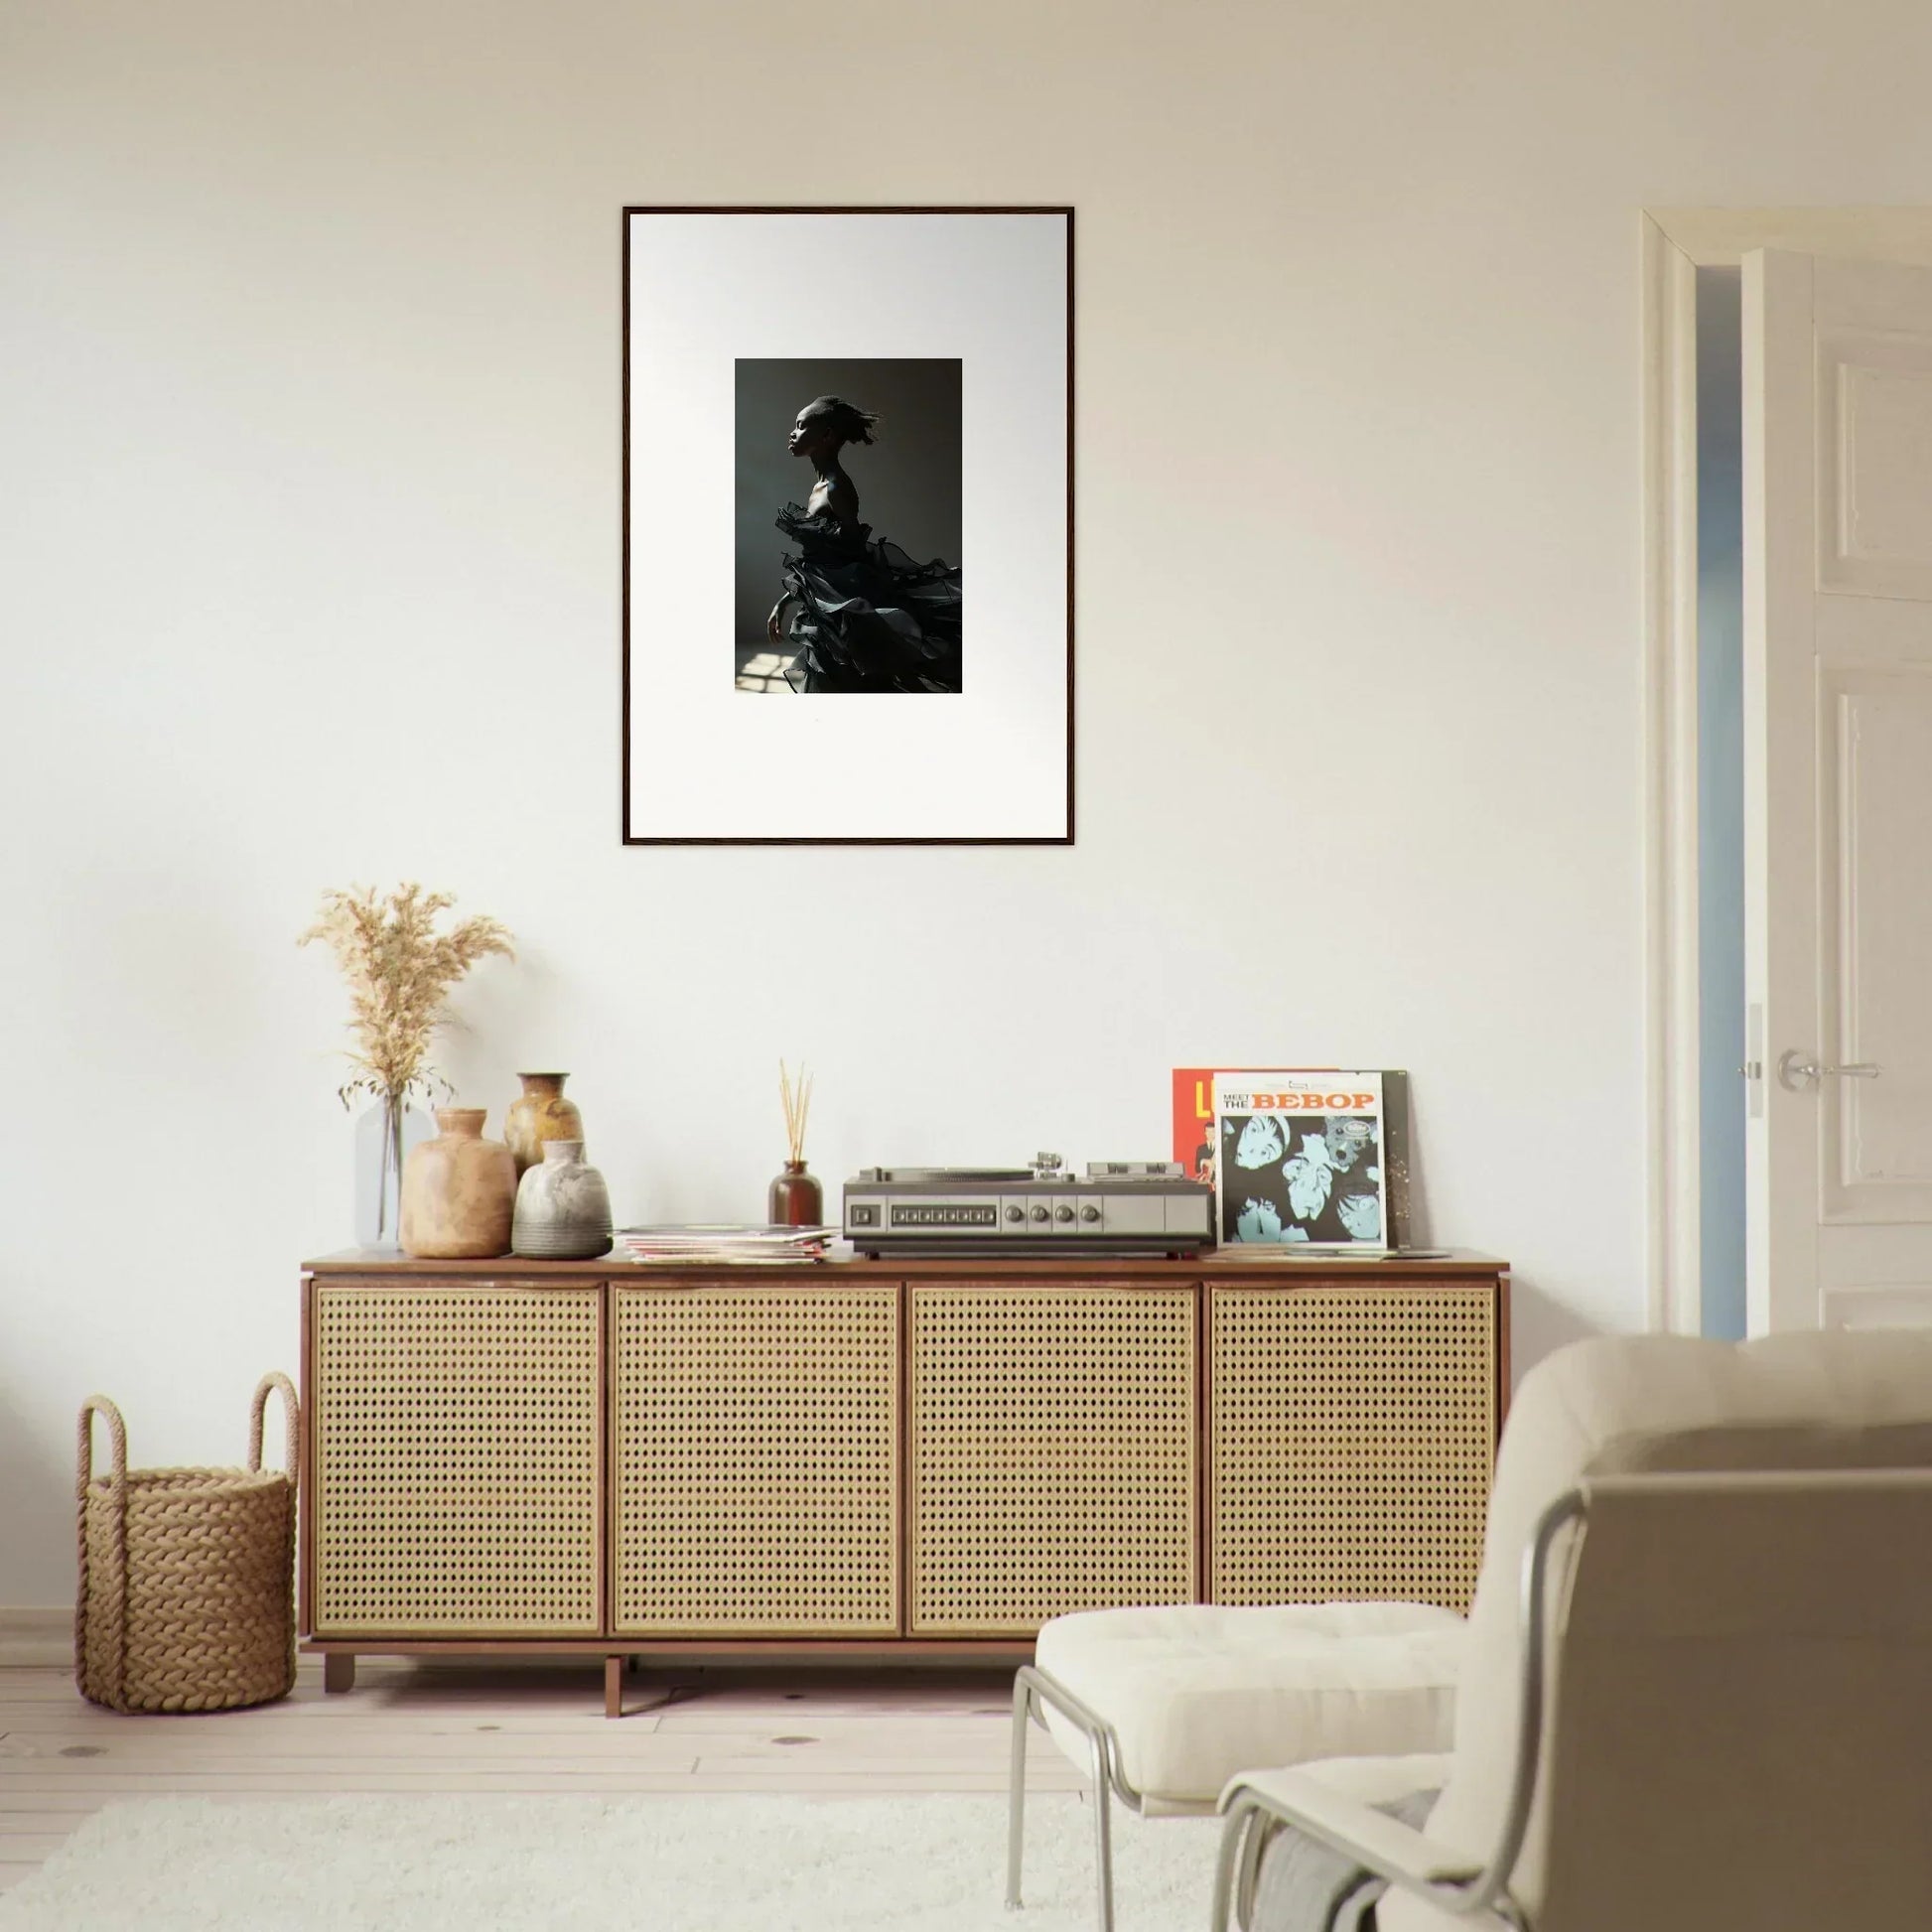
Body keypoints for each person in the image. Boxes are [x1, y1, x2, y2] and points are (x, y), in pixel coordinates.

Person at [763, 396, 962, 693]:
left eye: (801, 426)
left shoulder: (836, 488)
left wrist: (859, 613)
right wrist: (786, 601)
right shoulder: (821, 486)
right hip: (826, 609)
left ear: (827, 435)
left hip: (843, 612)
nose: (792, 432)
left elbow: (851, 556)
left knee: (849, 682)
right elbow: (818, 558)